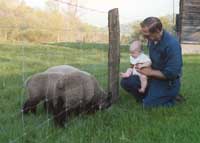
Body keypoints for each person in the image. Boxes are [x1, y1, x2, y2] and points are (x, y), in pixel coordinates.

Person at [120, 17, 183, 108]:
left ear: (157, 31)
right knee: (126, 82)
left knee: (149, 105)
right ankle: (152, 96)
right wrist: (143, 66)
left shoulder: (172, 45)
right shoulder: (152, 40)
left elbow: (172, 73)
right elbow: (152, 60)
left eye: (147, 35)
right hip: (154, 78)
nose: (145, 37)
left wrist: (150, 72)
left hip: (168, 81)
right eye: (144, 35)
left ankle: (172, 98)